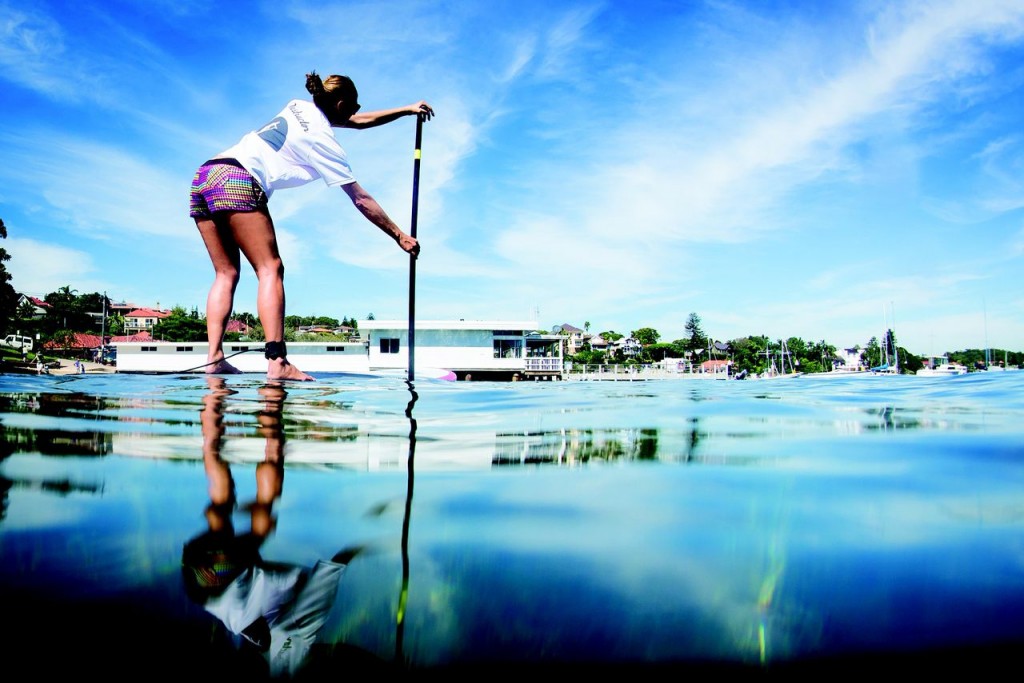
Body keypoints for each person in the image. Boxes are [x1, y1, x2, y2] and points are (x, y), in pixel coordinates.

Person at [189, 71, 433, 381]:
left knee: (226, 273)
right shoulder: (322, 140)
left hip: (206, 174)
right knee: (270, 269)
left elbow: (355, 122)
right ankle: (277, 361)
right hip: (239, 179)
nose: (357, 111)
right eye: (354, 105)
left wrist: (406, 109)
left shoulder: (299, 107)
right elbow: (360, 199)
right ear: (341, 104)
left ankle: (214, 358)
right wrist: (399, 235)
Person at [182, 377, 363, 677]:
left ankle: (271, 410)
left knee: (262, 517)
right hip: (203, 581)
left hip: (221, 579)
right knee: (222, 508)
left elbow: (332, 568)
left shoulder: (296, 651)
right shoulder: (279, 654)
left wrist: (361, 546)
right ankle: (213, 411)